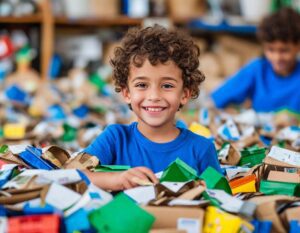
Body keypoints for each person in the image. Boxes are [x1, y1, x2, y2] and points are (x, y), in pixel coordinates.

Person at [82, 25, 222, 191]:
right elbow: (73, 175)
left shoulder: (201, 149)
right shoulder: (115, 139)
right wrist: (117, 179)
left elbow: (220, 198)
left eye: (167, 85)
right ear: (127, 93)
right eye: (142, 85)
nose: (154, 96)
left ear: (184, 94)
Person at [211, 7, 300, 113]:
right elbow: (216, 99)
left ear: (298, 46)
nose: (277, 58)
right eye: (270, 50)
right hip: (259, 129)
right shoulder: (257, 69)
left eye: (284, 51)